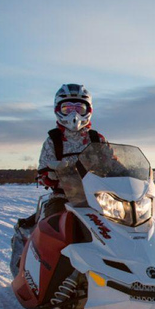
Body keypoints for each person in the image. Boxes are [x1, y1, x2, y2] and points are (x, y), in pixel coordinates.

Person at [36, 83, 106, 219]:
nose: (74, 114)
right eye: (68, 109)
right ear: (58, 109)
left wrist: (131, 173)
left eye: (80, 109)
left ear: (89, 110)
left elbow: (113, 163)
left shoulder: (96, 139)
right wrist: (51, 175)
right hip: (63, 196)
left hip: (99, 196)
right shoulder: (53, 140)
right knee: (54, 221)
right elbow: (42, 172)